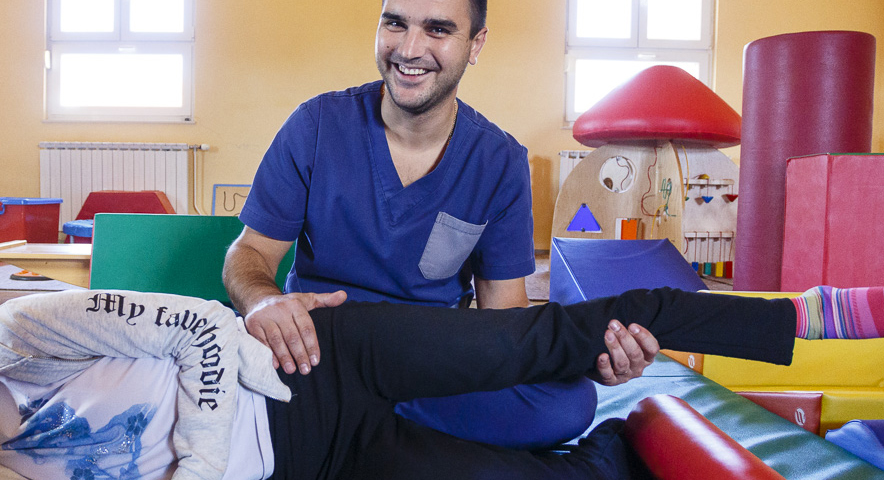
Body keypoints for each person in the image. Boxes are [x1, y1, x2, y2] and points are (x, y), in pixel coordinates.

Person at [0, 285, 884, 480]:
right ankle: (627, 447)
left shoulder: (12, 332)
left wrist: (202, 466)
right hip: (319, 463)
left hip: (326, 356)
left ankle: (806, 317)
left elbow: (199, 329)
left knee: (552, 341)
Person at [223, 0, 606, 449]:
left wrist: (580, 355)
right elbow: (249, 252)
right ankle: (368, 425)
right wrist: (263, 301)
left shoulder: (499, 162)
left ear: (475, 44)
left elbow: (504, 316)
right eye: (395, 24)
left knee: (569, 402)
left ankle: (340, 418)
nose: (409, 49)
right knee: (202, 361)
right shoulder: (316, 125)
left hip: (425, 361)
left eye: (437, 30)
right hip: (319, 346)